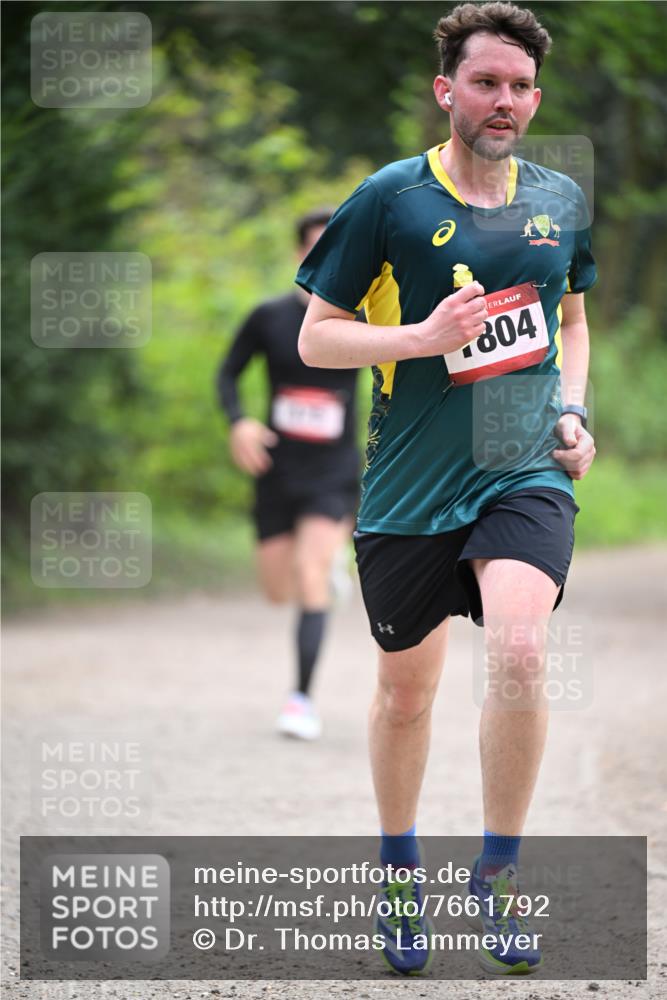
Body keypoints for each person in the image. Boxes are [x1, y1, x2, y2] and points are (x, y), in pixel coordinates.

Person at [297, 1, 596, 976]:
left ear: (533, 98)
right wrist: (420, 340)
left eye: (517, 86)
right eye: (484, 83)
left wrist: (573, 413)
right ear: (446, 91)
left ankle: (498, 873)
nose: (502, 100)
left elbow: (571, 322)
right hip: (409, 483)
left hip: (521, 468)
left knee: (518, 644)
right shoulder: (390, 198)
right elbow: (318, 334)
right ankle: (397, 866)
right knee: (403, 694)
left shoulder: (559, 199)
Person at [217, 210, 360, 741]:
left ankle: (300, 698)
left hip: (333, 473)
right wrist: (239, 424)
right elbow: (228, 372)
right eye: (313, 250)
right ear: (301, 255)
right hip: (276, 470)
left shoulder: (362, 323)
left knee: (308, 577)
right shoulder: (269, 317)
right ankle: (326, 577)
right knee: (278, 590)